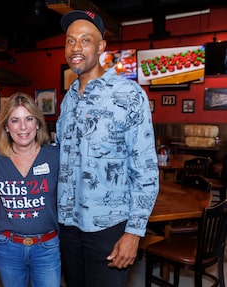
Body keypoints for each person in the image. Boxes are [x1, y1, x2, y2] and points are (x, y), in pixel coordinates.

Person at [56, 10, 159, 287]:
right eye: (70, 41)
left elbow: (146, 171)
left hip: (109, 228)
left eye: (85, 40)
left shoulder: (129, 94)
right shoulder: (67, 100)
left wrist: (134, 233)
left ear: (101, 47)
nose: (76, 48)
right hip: (68, 225)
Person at [0, 92, 61, 287]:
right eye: (15, 120)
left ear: (37, 123)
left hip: (47, 247)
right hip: (8, 247)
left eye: (29, 119)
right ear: (6, 126)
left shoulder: (55, 156)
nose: (23, 127)